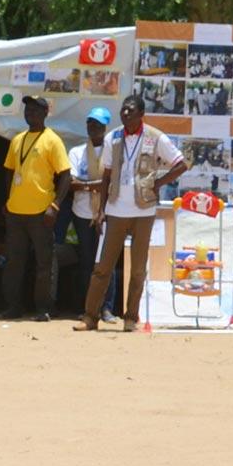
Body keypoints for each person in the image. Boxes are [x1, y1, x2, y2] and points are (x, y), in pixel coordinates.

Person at [77, 95, 186, 331]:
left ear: (141, 114)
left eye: (130, 110)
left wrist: (158, 184)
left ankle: (130, 318)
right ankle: (89, 317)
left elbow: (181, 164)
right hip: (115, 210)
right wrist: (102, 211)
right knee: (102, 267)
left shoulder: (156, 137)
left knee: (137, 269)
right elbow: (105, 176)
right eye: (123, 110)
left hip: (143, 211)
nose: (125, 114)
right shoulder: (112, 137)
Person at [0, 96, 71, 320]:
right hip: (16, 211)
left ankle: (44, 308)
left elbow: (65, 175)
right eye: (28, 109)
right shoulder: (17, 139)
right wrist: (8, 200)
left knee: (44, 263)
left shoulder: (52, 140)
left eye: (36, 109)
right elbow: (10, 170)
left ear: (46, 112)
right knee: (14, 262)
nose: (31, 112)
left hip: (41, 212)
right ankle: (13, 306)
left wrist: (56, 205)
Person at [58, 107, 119, 324]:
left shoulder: (113, 153)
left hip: (108, 213)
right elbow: (71, 184)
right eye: (91, 124)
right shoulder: (76, 152)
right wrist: (98, 185)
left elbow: (114, 184)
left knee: (106, 262)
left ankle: (107, 309)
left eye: (99, 125)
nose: (94, 128)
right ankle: (86, 308)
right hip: (82, 214)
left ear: (105, 128)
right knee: (85, 262)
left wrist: (91, 186)